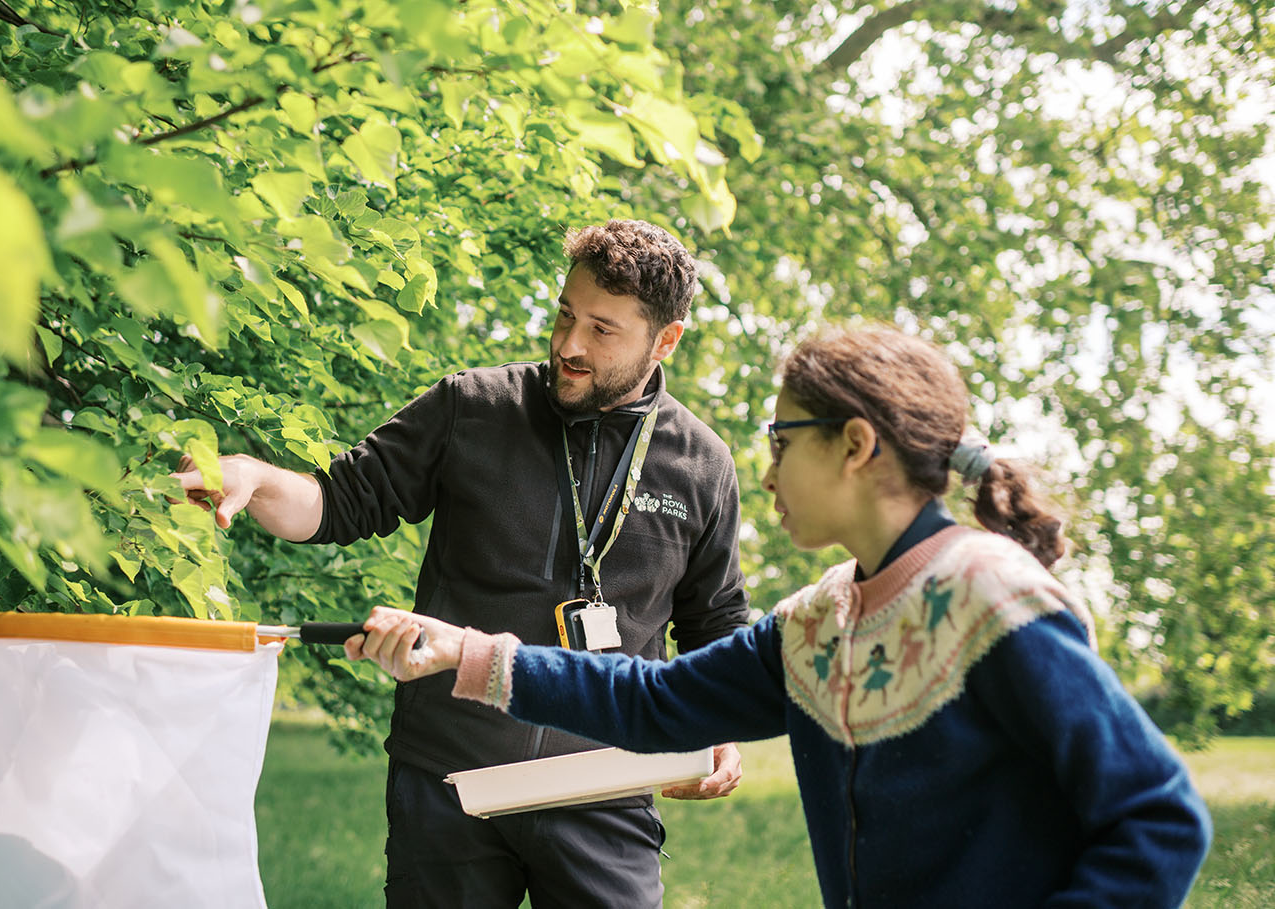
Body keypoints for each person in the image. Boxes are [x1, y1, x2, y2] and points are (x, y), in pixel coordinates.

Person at [347, 325, 1214, 909]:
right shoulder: (820, 620)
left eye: (782, 439)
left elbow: (1159, 815)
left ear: (856, 445)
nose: (764, 474)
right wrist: (467, 653)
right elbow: (658, 703)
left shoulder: (991, 596)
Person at [174, 220, 751, 907]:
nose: (569, 344)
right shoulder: (471, 406)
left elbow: (714, 623)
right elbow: (337, 502)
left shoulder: (703, 464)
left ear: (666, 340)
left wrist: (718, 728)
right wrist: (255, 475)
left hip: (605, 782)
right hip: (450, 777)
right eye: (566, 313)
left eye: (603, 330)